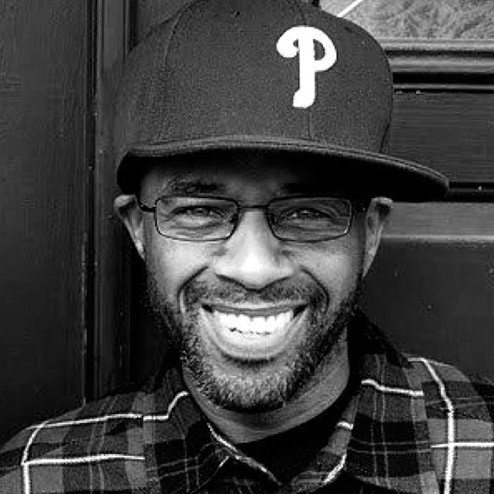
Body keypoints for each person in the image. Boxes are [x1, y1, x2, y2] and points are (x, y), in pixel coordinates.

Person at [1, 0, 494, 492]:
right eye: (200, 211)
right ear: (138, 229)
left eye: (307, 212)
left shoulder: (481, 448)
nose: (254, 269)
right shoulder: (38, 480)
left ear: (371, 233)